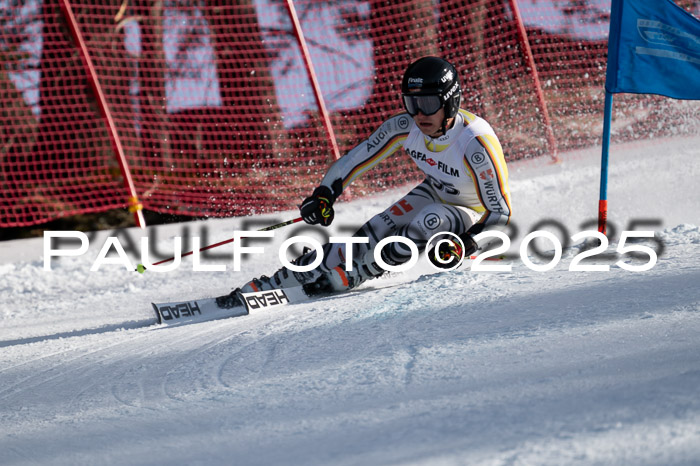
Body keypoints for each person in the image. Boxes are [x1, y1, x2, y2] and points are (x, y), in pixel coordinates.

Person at [218, 56, 512, 308]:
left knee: (428, 221)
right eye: (412, 103)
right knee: (372, 232)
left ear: (450, 101)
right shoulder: (405, 125)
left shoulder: (475, 144)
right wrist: (324, 194)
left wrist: (468, 243)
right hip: (434, 192)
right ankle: (282, 279)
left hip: (470, 212)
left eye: (428, 103)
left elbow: (500, 213)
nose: (419, 113)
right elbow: (356, 159)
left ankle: (363, 270)